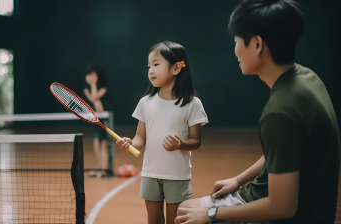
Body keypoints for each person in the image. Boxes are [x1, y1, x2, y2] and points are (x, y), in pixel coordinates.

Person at [175, 0, 340, 223]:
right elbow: (284, 150)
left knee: (184, 213)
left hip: (293, 216)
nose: (235, 50)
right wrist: (239, 179)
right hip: (313, 209)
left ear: (256, 44)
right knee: (186, 207)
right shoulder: (307, 77)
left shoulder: (280, 111)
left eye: (236, 41)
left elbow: (282, 207)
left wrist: (212, 213)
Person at [116, 41, 209, 224]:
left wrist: (180, 144)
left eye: (156, 64)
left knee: (174, 221)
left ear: (176, 68)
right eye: (149, 66)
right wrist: (131, 143)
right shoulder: (145, 102)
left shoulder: (192, 104)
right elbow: (141, 137)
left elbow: (196, 141)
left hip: (177, 175)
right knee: (154, 220)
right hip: (150, 173)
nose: (151, 70)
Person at [84, 64, 110, 178]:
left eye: (92, 75)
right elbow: (93, 100)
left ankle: (104, 169)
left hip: (105, 119)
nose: (90, 77)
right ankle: (100, 167)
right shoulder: (86, 90)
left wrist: (93, 84)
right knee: (96, 142)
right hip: (95, 119)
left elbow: (95, 98)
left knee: (103, 143)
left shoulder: (104, 88)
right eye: (88, 75)